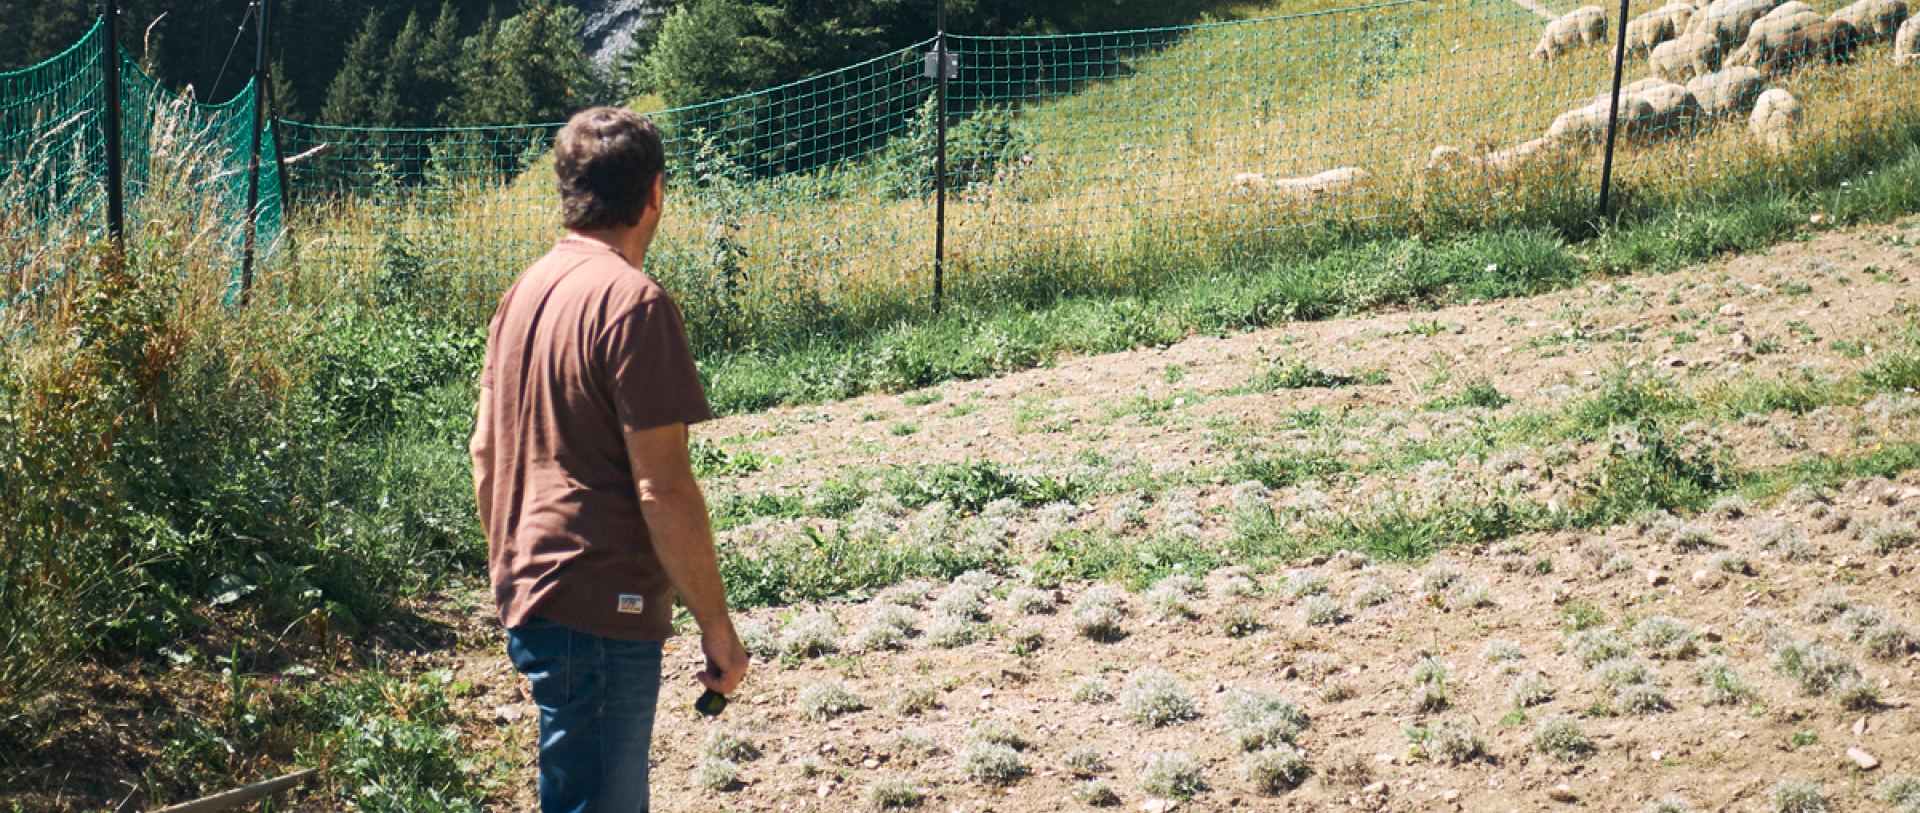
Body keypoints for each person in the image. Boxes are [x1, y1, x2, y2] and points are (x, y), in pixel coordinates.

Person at [470, 106, 749, 813]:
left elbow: (483, 451)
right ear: (656, 192)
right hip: (598, 606)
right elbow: (663, 484)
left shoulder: (524, 292)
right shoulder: (634, 303)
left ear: (568, 192)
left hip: (536, 594)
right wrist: (716, 624)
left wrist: (514, 569)